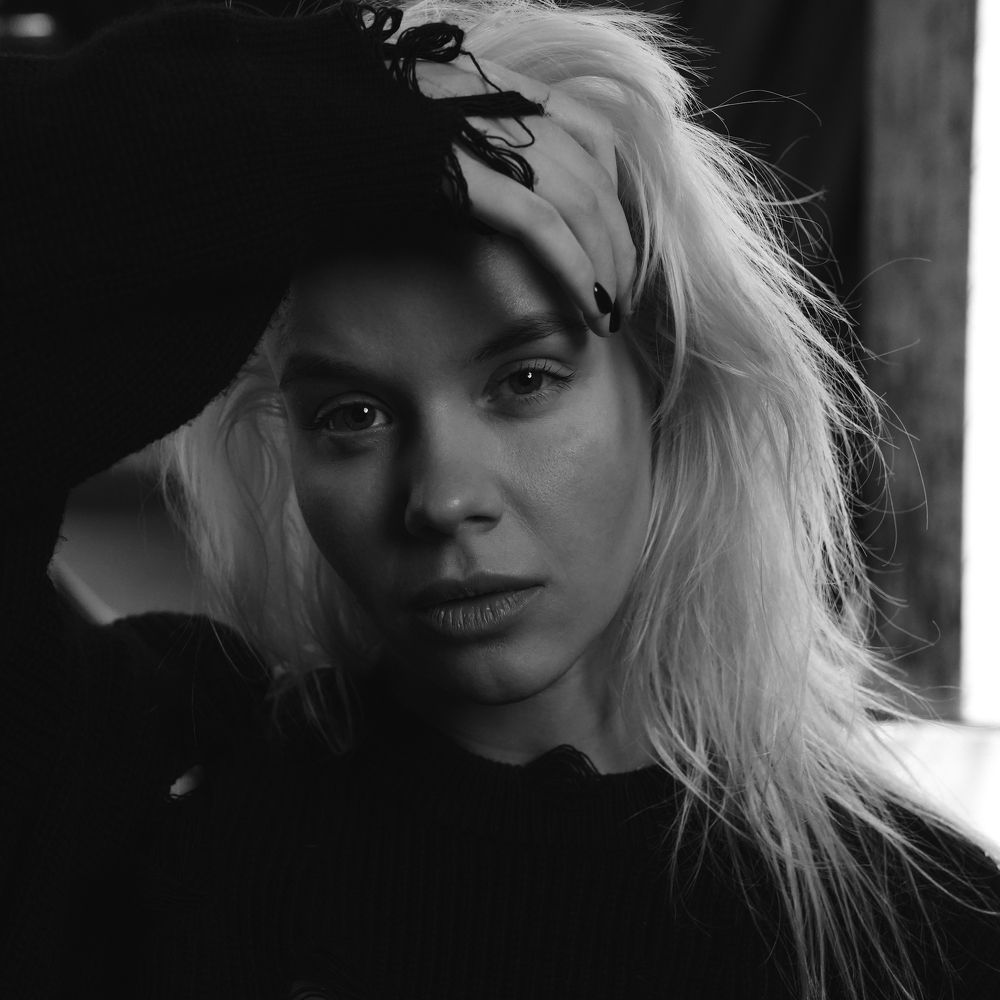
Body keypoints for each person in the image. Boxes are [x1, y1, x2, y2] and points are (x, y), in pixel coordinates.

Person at [1, 0, 997, 998]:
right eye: (352, 414)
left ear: (666, 384)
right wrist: (304, 108)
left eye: (524, 380)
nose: (441, 498)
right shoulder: (155, 776)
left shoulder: (931, 936)